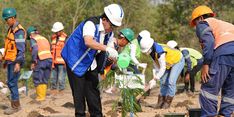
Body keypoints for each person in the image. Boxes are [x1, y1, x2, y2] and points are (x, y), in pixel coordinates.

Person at [61, 3, 124, 117]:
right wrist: (107, 48)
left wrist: (113, 58)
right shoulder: (90, 24)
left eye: (115, 26)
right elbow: (88, 42)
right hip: (75, 60)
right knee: (79, 95)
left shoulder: (109, 33)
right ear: (104, 19)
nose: (113, 28)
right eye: (112, 25)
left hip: (90, 62)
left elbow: (109, 49)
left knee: (93, 93)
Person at [190, 5, 234, 116]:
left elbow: (208, 43)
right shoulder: (226, 25)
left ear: (199, 18)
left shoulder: (203, 23)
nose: (196, 26)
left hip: (223, 53)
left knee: (209, 89)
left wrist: (206, 64)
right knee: (230, 91)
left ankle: (209, 115)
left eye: (195, 23)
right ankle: (225, 114)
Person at [138, 30, 184, 109]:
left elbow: (162, 67)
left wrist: (156, 78)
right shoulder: (152, 51)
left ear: (150, 47)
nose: (146, 52)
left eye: (146, 50)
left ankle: (167, 103)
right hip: (167, 63)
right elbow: (156, 65)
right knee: (163, 81)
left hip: (177, 60)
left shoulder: (159, 52)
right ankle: (160, 102)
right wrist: (155, 77)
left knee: (171, 81)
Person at [2, 8, 26, 115]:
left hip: (15, 61)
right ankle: (15, 105)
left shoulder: (18, 31)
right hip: (10, 60)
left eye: (7, 19)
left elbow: (21, 49)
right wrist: (5, 60)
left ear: (12, 18)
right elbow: (9, 47)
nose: (6, 21)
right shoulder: (10, 29)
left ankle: (16, 107)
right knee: (11, 82)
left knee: (12, 82)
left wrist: (18, 63)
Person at [27, 26, 52, 102]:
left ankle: (40, 97)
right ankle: (43, 96)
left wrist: (34, 61)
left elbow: (35, 49)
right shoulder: (44, 38)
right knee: (45, 78)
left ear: (30, 35)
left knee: (37, 77)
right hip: (49, 59)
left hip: (41, 60)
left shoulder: (33, 39)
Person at [50, 22, 67, 94]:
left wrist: (66, 61)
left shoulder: (65, 38)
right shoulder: (53, 38)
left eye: (57, 32)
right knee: (53, 77)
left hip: (62, 62)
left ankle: (61, 90)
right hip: (54, 61)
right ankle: (53, 89)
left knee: (61, 77)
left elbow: (67, 50)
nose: (56, 33)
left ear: (61, 30)